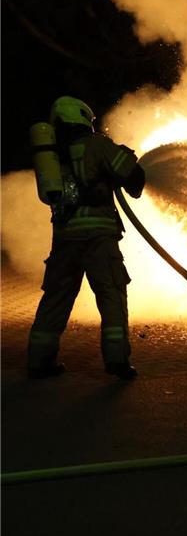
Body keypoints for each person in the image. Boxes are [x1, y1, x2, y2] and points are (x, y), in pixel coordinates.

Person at [26, 96, 146, 380]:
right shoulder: (97, 146)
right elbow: (135, 179)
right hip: (98, 238)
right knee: (111, 293)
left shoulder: (55, 156)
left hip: (65, 237)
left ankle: (39, 360)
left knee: (57, 296)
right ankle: (117, 359)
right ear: (80, 117)